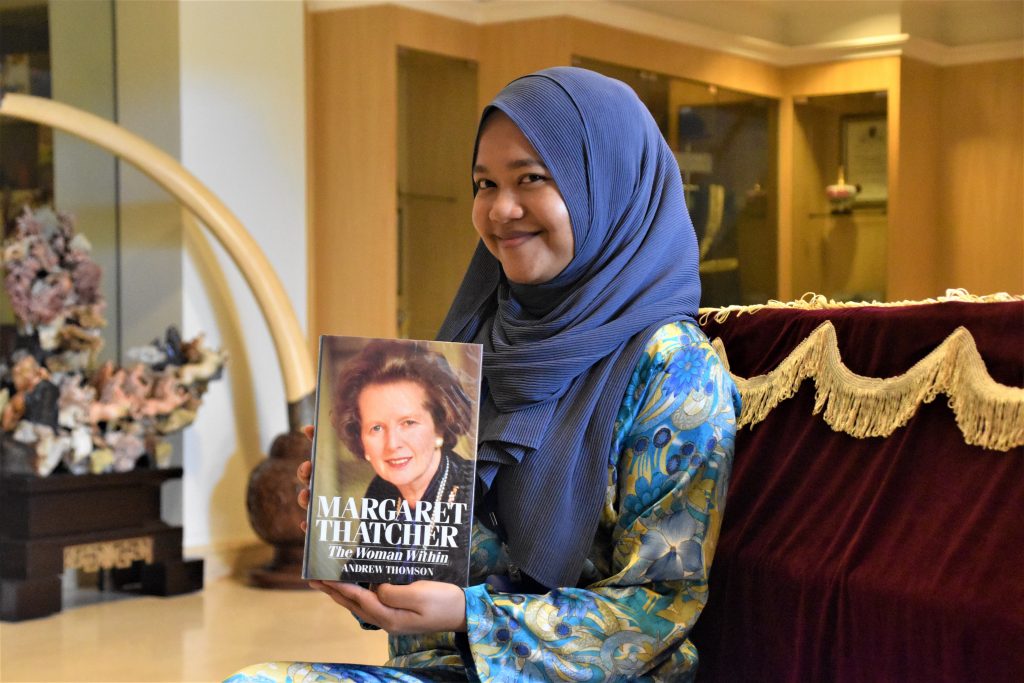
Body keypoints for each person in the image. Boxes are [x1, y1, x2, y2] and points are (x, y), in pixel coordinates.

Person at [227, 66, 741, 682]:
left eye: (531, 178)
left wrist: (472, 616)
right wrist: (353, 539)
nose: (501, 209)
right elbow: (453, 562)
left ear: (606, 186)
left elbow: (660, 606)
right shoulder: (480, 342)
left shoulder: (674, 369)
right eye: (484, 183)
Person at [330, 340, 476, 583]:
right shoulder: (381, 491)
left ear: (440, 427)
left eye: (408, 423)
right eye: (376, 428)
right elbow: (363, 572)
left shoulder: (473, 489)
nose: (392, 444)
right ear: (361, 439)